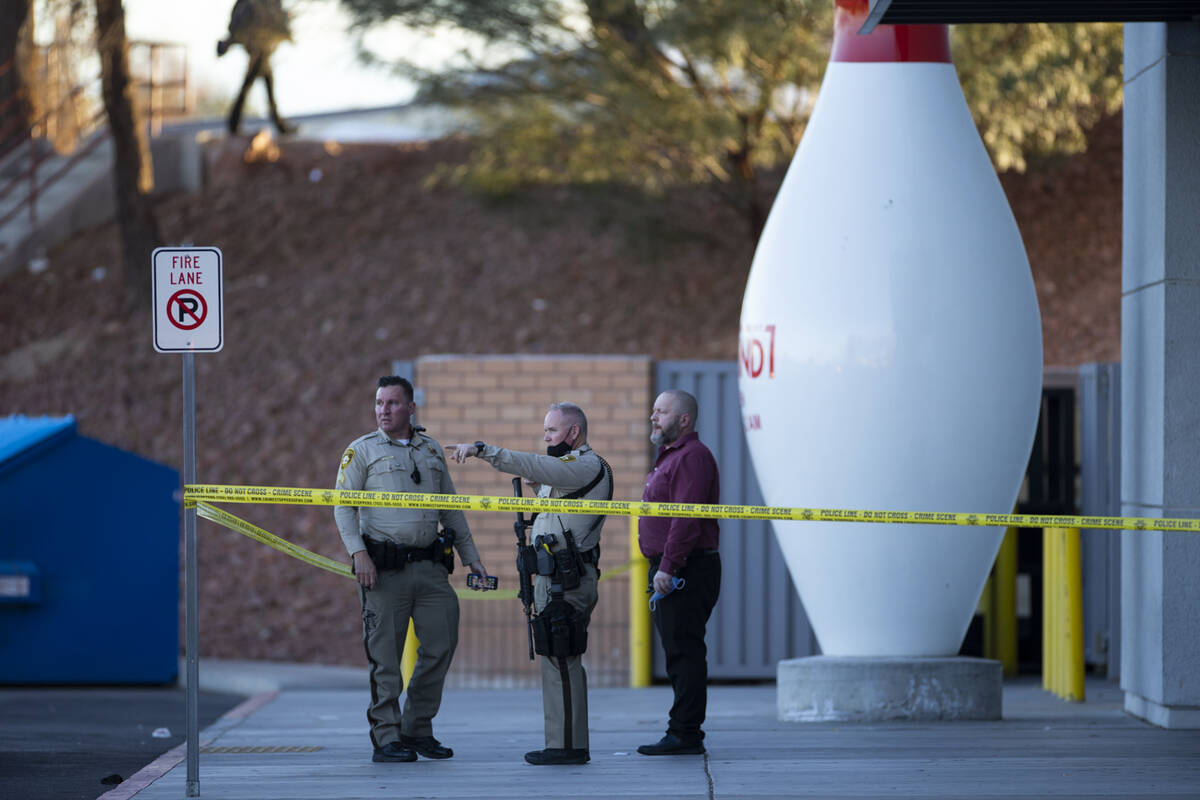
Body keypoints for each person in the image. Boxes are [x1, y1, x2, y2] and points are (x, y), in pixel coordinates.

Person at [334, 376, 491, 763]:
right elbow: (342, 506)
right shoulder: (362, 451)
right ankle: (387, 737)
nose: (383, 410)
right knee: (385, 657)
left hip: (430, 567)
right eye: (378, 403)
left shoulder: (432, 449)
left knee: (441, 645)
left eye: (392, 403)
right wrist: (359, 554)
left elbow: (450, 508)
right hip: (382, 570)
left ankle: (417, 728)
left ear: (411, 408)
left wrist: (473, 558)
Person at [446, 402, 613, 766]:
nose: (546, 437)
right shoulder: (567, 472)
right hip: (554, 578)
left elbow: (536, 465)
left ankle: (568, 746)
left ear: (574, 433)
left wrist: (483, 450)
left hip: (568, 580)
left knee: (562, 658)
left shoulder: (586, 465)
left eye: (552, 430)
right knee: (554, 657)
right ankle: (561, 742)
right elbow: (558, 512)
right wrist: (542, 493)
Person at [637, 389, 721, 756]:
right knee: (678, 651)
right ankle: (682, 729)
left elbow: (686, 517)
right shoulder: (672, 457)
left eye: (662, 411)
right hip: (673, 566)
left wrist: (668, 568)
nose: (653, 417)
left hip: (686, 568)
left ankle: (685, 734)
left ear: (684, 419)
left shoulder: (692, 458)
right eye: (654, 411)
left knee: (684, 652)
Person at [216, 0, 295, 135]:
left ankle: (278, 125)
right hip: (258, 51)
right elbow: (240, 26)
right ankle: (235, 124)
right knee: (254, 87)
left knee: (263, 87)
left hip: (262, 51)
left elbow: (277, 22)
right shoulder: (251, 4)